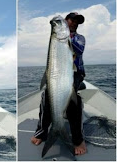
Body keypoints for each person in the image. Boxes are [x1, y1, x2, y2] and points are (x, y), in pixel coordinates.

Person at [31, 12, 87, 155]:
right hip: (57, 73)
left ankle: (78, 139)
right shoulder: (57, 39)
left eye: (77, 22)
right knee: (46, 97)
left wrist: (66, 37)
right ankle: (42, 132)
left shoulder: (79, 38)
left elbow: (79, 50)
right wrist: (56, 27)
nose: (74, 23)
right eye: (71, 20)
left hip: (75, 73)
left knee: (75, 103)